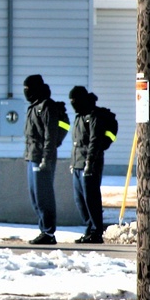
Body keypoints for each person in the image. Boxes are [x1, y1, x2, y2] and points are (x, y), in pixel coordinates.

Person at [23, 74, 59, 245]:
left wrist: (46, 158)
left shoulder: (46, 106)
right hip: (32, 157)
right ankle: (43, 229)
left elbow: (50, 136)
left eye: (28, 89)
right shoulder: (33, 107)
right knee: (35, 196)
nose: (25, 92)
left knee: (44, 196)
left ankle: (48, 232)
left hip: (41, 158)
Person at [68, 86, 105, 244]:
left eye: (75, 101)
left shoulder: (93, 116)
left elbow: (94, 141)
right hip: (77, 164)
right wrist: (73, 163)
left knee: (91, 199)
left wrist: (89, 162)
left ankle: (96, 231)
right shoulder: (79, 117)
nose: (73, 104)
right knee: (80, 200)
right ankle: (89, 229)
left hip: (90, 164)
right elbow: (76, 143)